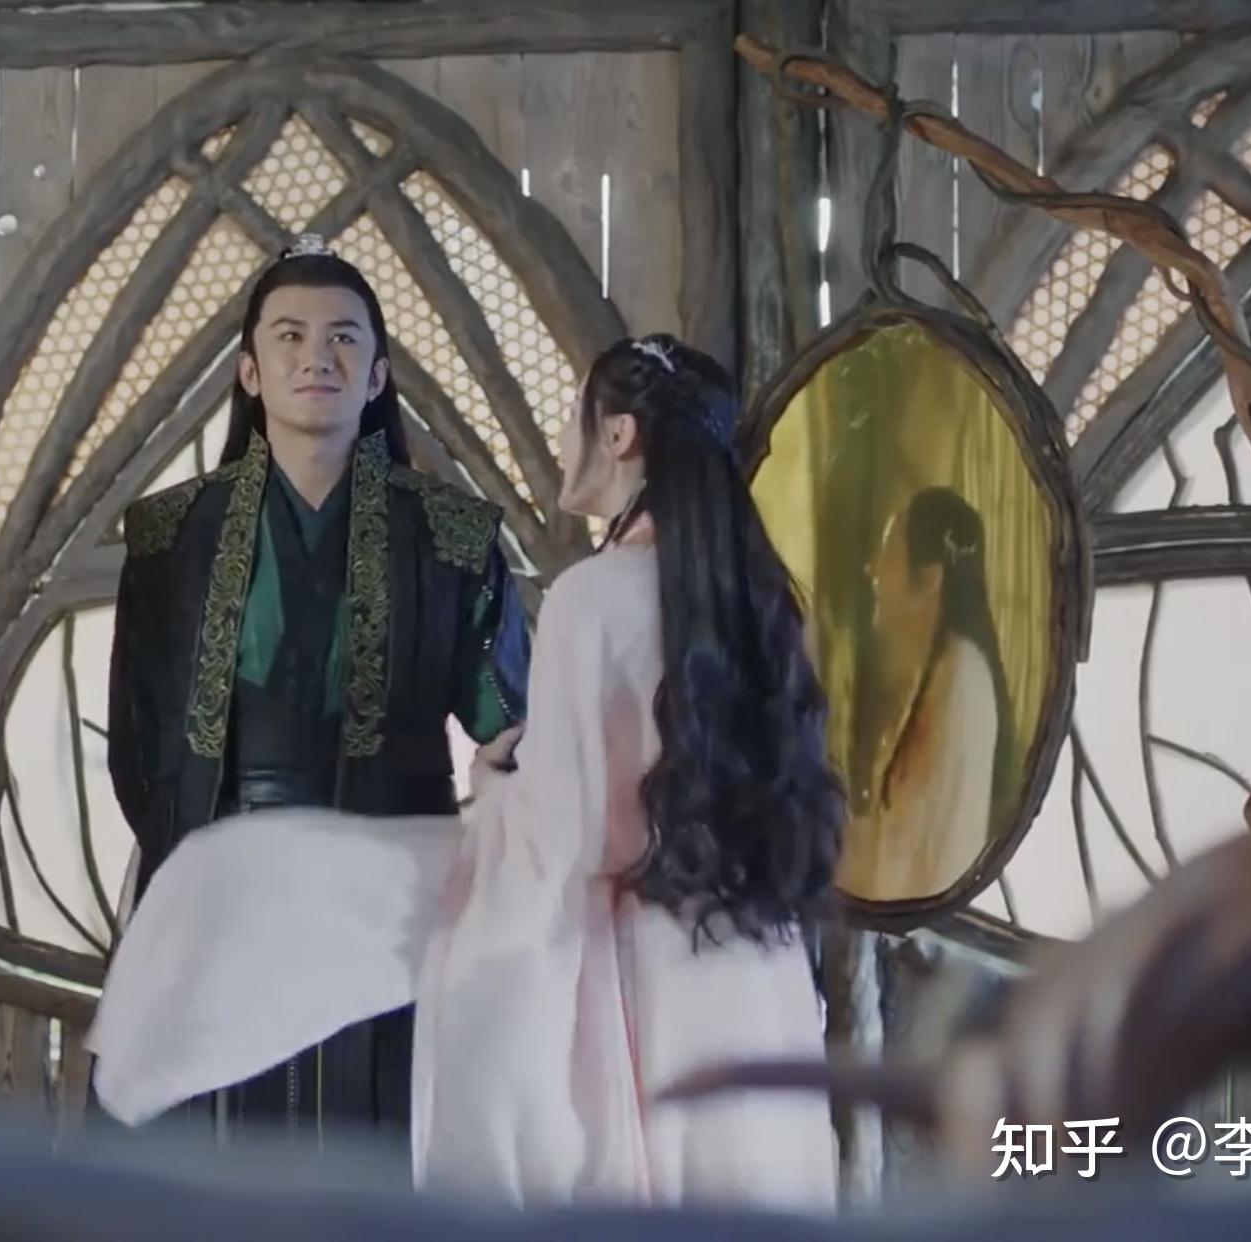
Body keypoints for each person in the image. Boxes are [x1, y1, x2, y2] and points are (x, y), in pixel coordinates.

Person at [90, 334, 843, 1211]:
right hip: (749, 969)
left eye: (579, 413)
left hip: (634, 976)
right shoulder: (759, 603)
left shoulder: (593, 597)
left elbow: (563, 840)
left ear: (619, 434)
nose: (567, 435)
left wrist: (499, 781)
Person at [100, 234, 531, 1149]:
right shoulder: (169, 536)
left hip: (387, 881)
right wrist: (187, 855)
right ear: (250, 372)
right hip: (220, 870)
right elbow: (138, 744)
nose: (316, 358)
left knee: (370, 1133)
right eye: (289, 337)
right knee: (217, 1138)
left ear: (377, 375)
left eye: (343, 338)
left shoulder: (452, 536)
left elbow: (509, 727)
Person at [834, 487, 1009, 902]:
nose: (873, 572)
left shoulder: (959, 680)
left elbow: (899, 868)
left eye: (888, 556)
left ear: (929, 579)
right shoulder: (947, 668)